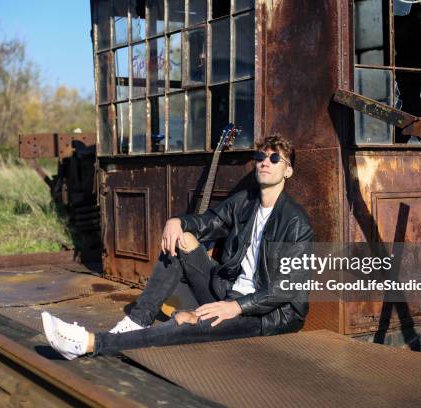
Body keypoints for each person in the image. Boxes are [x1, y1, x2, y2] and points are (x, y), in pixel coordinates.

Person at [42, 135, 314, 360]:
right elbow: (210, 221)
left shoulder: (295, 221)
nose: (265, 163)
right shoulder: (245, 201)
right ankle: (138, 319)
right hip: (228, 292)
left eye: (275, 158)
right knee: (180, 239)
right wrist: (178, 221)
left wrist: (237, 307)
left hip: (265, 315)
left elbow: (286, 288)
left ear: (287, 171)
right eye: (261, 157)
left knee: (188, 323)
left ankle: (89, 344)